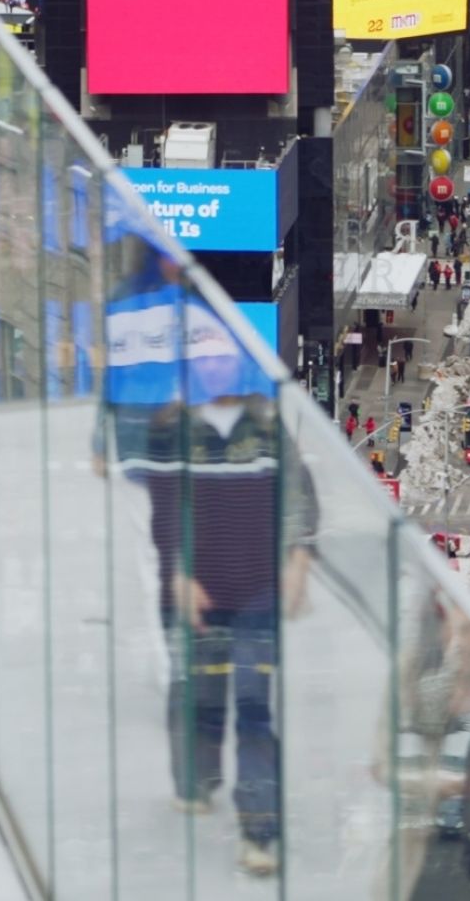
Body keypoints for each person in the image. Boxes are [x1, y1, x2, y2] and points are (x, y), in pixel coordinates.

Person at [142, 340, 315, 877]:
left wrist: (298, 559)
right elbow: (165, 509)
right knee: (195, 689)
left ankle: (259, 831)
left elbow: (297, 493)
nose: (214, 368)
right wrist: (177, 572)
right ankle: (196, 776)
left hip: (257, 590)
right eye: (203, 360)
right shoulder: (170, 428)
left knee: (255, 704)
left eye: (223, 359)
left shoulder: (266, 426)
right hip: (195, 589)